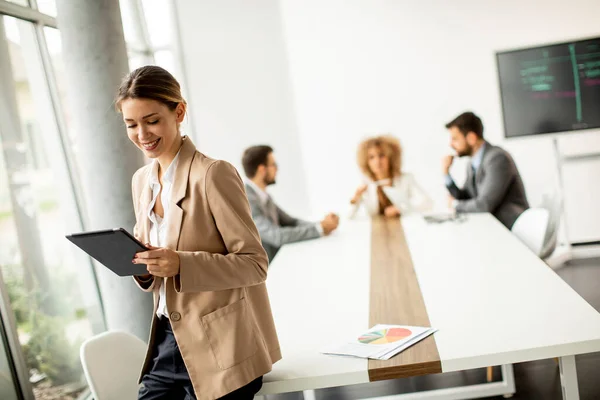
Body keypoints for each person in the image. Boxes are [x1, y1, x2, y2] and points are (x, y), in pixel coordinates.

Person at [116, 66, 280, 399]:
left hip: (223, 348)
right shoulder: (140, 182)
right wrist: (143, 264)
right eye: (131, 124)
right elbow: (155, 267)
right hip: (166, 340)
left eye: (152, 120)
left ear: (179, 111)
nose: (142, 134)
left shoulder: (212, 174)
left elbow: (254, 264)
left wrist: (181, 264)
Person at [241, 145, 339, 262]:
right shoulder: (246, 201)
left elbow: (291, 222)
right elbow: (277, 236)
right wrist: (320, 229)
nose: (277, 169)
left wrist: (323, 224)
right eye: (273, 165)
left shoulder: (263, 196)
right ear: (262, 170)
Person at [442, 111, 529, 229]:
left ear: (471, 138)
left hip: (511, 229)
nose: (451, 144)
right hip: (490, 226)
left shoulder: (497, 158)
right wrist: (446, 173)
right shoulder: (473, 163)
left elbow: (483, 205)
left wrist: (454, 205)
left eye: (455, 139)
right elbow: (466, 197)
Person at [350, 135, 432, 218]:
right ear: (366, 161)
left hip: (404, 227)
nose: (377, 161)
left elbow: (427, 203)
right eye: (371, 157)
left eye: (381, 155)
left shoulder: (406, 179)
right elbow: (349, 216)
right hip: (376, 228)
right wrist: (356, 198)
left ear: (391, 157)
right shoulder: (365, 183)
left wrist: (400, 209)